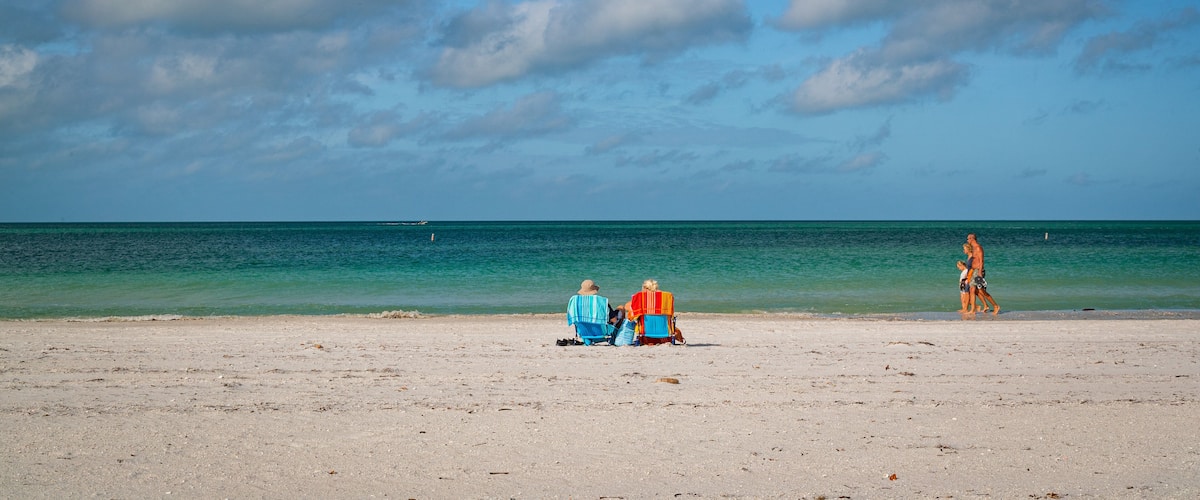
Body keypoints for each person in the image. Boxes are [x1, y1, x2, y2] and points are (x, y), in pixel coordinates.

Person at [627, 279, 685, 345]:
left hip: (646, 337)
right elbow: (671, 315)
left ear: (645, 288)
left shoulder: (640, 297)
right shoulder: (667, 297)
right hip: (665, 337)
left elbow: (630, 317)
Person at [563, 279, 616, 345]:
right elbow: (614, 320)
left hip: (584, 332)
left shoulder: (576, 303)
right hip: (602, 332)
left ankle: (588, 340)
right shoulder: (601, 302)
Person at [967, 233, 1000, 315]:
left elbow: (981, 261)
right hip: (974, 271)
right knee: (972, 290)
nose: (967, 240)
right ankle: (973, 310)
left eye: (968, 239)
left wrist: (980, 272)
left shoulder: (978, 248)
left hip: (978, 271)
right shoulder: (973, 248)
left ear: (972, 239)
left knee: (982, 291)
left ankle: (996, 306)